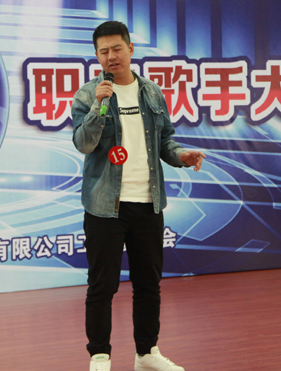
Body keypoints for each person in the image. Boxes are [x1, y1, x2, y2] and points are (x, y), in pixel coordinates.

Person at [71, 21, 206, 371]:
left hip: (148, 203)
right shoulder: (88, 95)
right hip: (105, 207)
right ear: (97, 56)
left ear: (131, 49)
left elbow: (164, 141)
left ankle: (146, 354)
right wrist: (99, 107)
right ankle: (100, 357)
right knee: (102, 286)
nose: (111, 56)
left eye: (117, 48)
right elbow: (83, 144)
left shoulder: (151, 92)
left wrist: (180, 155)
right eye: (103, 51)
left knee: (148, 284)